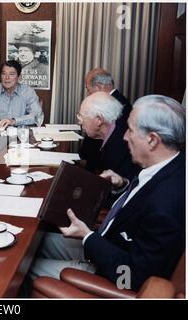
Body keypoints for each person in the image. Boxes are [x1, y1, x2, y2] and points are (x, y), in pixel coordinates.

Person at [29, 95, 185, 291]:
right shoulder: (169, 166)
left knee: (23, 266)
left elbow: (132, 278)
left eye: (130, 130)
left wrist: (87, 237)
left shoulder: (166, 204)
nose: (124, 136)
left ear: (152, 140)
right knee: (32, 243)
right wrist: (123, 185)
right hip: (106, 241)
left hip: (106, 270)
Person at [77, 92, 140, 180]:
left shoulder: (119, 146)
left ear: (99, 120)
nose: (80, 122)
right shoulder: (113, 132)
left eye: (82, 117)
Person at [80, 68, 133, 174]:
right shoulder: (118, 99)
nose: (88, 94)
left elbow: (106, 136)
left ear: (98, 87)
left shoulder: (118, 104)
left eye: (88, 90)